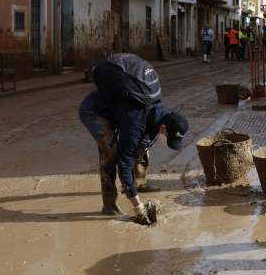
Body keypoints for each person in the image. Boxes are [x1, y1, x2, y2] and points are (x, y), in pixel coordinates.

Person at [78, 53, 189, 225]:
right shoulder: (136, 124)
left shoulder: (161, 112)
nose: (165, 140)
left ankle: (138, 183)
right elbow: (125, 163)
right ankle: (109, 205)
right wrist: (137, 205)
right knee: (112, 154)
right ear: (164, 128)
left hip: (119, 114)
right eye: (168, 136)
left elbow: (142, 143)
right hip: (94, 112)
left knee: (142, 145)